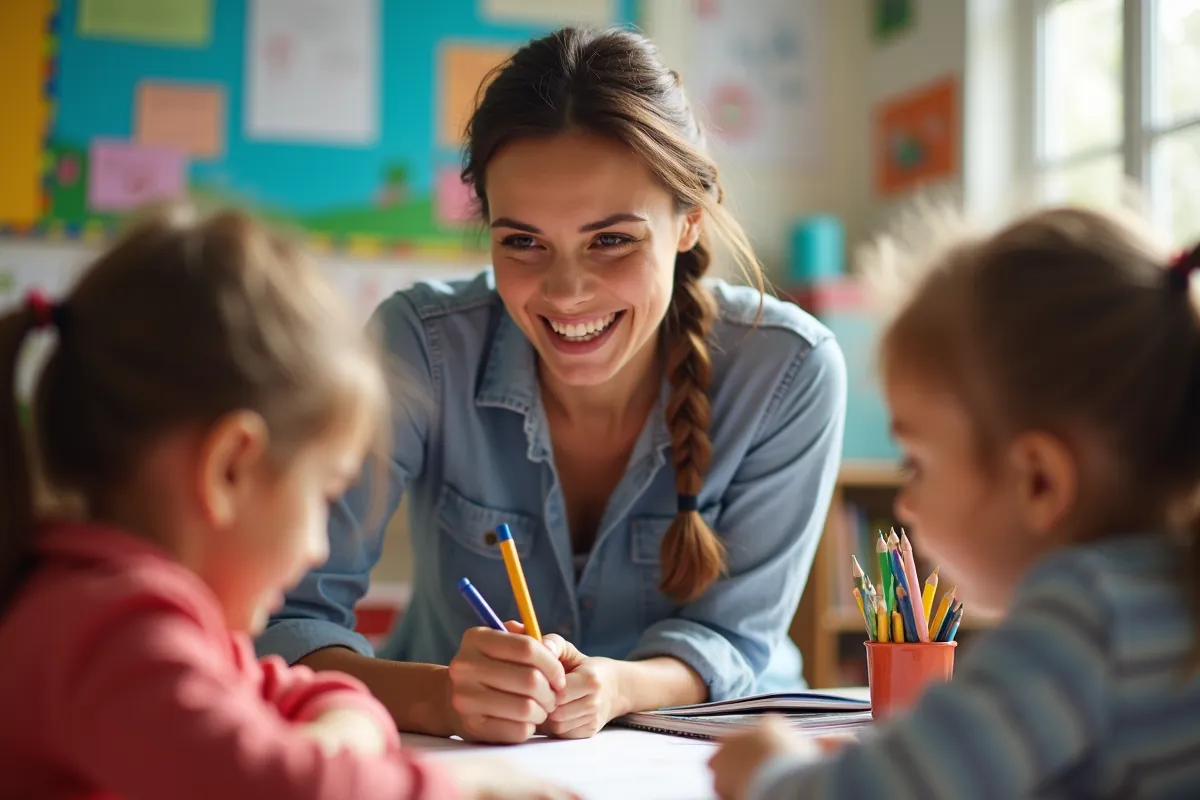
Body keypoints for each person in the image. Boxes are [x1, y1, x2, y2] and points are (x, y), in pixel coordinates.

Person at [259, 26, 847, 744]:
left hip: (703, 755)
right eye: (523, 242)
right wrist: (440, 697)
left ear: (688, 221)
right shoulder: (420, 346)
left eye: (611, 239)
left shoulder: (788, 371)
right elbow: (290, 618)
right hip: (463, 760)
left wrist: (615, 687)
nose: (566, 293)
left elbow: (736, 639)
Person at [0, 207, 575, 800]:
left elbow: (300, 696)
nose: (318, 545)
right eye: (322, 494)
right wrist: (467, 789)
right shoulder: (119, 635)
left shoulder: (152, 617)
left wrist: (337, 726)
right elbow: (280, 788)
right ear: (230, 469)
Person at [709, 206, 1200, 799]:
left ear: (1038, 480)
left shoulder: (1084, 621)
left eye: (916, 464)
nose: (907, 504)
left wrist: (770, 771)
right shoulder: (1168, 598)